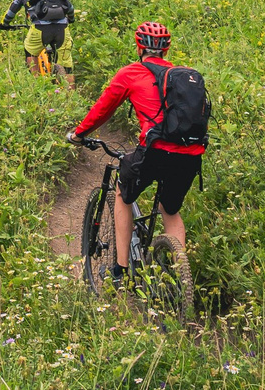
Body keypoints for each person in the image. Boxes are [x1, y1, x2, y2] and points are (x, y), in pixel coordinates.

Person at [68, 21, 208, 293]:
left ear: (139, 46)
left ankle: (120, 271)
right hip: (191, 153)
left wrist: (78, 133)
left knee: (122, 193)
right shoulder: (183, 77)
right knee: (171, 209)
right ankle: (179, 277)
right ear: (166, 49)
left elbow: (102, 109)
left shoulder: (131, 73)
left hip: (155, 151)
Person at [0, 0, 75, 84]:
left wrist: (4, 24)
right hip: (62, 28)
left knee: (30, 51)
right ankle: (71, 94)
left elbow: (11, 12)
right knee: (66, 63)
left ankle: (38, 84)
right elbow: (68, 6)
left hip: (40, 29)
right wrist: (71, 18)